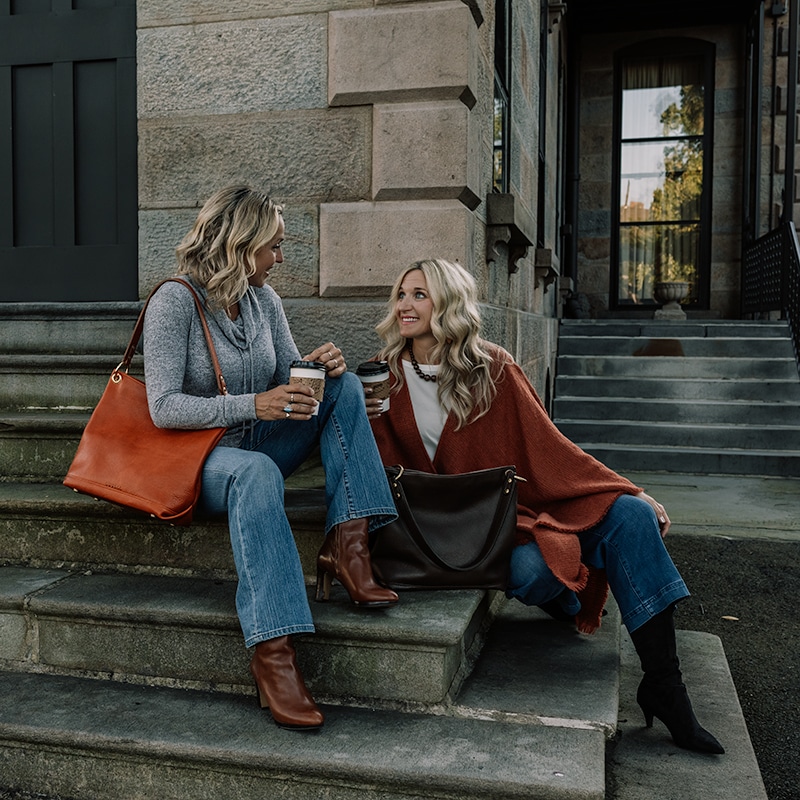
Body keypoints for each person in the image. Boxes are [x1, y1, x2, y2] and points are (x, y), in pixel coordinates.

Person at [366, 258, 724, 755]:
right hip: (445, 533)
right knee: (535, 570)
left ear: (447, 302)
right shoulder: (379, 381)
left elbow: (549, 447)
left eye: (420, 294)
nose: (405, 305)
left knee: (632, 517)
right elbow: (373, 469)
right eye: (401, 294)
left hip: (511, 514)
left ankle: (666, 687)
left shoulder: (492, 369)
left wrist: (628, 488)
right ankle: (566, 598)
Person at [142, 185, 399, 732]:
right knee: (256, 471)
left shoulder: (265, 301)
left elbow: (289, 374)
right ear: (241, 244)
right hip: (202, 460)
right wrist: (252, 404)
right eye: (273, 247)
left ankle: (349, 544)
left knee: (345, 387)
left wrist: (317, 367)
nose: (280, 259)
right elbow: (163, 407)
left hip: (260, 441)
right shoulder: (174, 301)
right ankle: (274, 654)